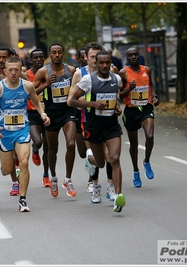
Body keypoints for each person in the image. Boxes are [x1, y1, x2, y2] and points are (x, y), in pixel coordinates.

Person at [0, 56, 50, 212]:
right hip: (4, 132)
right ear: (5, 71)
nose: (13, 73)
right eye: (10, 70)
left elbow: (36, 102)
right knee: (7, 170)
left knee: (24, 162)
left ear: (20, 70)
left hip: (22, 129)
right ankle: (9, 163)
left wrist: (43, 114)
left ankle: (23, 200)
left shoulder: (27, 86)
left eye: (16, 70)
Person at [70, 50, 126, 212]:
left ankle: (118, 196)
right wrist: (92, 104)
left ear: (110, 63)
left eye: (107, 62)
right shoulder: (88, 80)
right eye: (101, 62)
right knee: (100, 163)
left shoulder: (116, 79)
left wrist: (116, 107)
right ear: (96, 63)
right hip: (94, 127)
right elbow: (71, 101)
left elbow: (116, 98)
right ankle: (90, 159)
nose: (104, 65)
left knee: (114, 158)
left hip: (111, 126)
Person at [33, 43, 77, 198]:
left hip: (67, 112)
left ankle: (68, 179)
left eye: (59, 52)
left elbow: (78, 89)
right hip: (51, 113)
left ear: (63, 53)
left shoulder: (71, 70)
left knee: (71, 143)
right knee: (53, 149)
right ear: (49, 54)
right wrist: (46, 84)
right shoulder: (43, 71)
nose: (57, 55)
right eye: (54, 52)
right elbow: (31, 92)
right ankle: (53, 177)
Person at [119, 47, 159, 188]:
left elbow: (150, 85)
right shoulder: (123, 73)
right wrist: (129, 89)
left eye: (136, 54)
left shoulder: (146, 70)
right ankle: (136, 171)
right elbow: (120, 95)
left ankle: (146, 161)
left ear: (139, 55)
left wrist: (153, 96)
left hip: (146, 108)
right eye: (130, 55)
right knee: (134, 145)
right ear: (127, 58)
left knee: (149, 136)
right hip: (131, 111)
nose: (134, 57)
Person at [0, 46, 28, 196]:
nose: (1, 60)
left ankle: (19, 185)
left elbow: (31, 89)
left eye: (4, 57)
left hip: (21, 119)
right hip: (2, 121)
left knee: (20, 156)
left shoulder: (20, 73)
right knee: (10, 158)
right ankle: (14, 180)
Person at [26, 48, 50, 187]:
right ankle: (35, 149)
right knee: (38, 141)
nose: (39, 60)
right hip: (32, 113)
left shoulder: (49, 72)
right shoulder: (26, 75)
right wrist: (46, 84)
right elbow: (31, 94)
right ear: (31, 60)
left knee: (47, 146)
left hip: (48, 112)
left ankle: (46, 175)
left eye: (41, 57)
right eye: (35, 58)